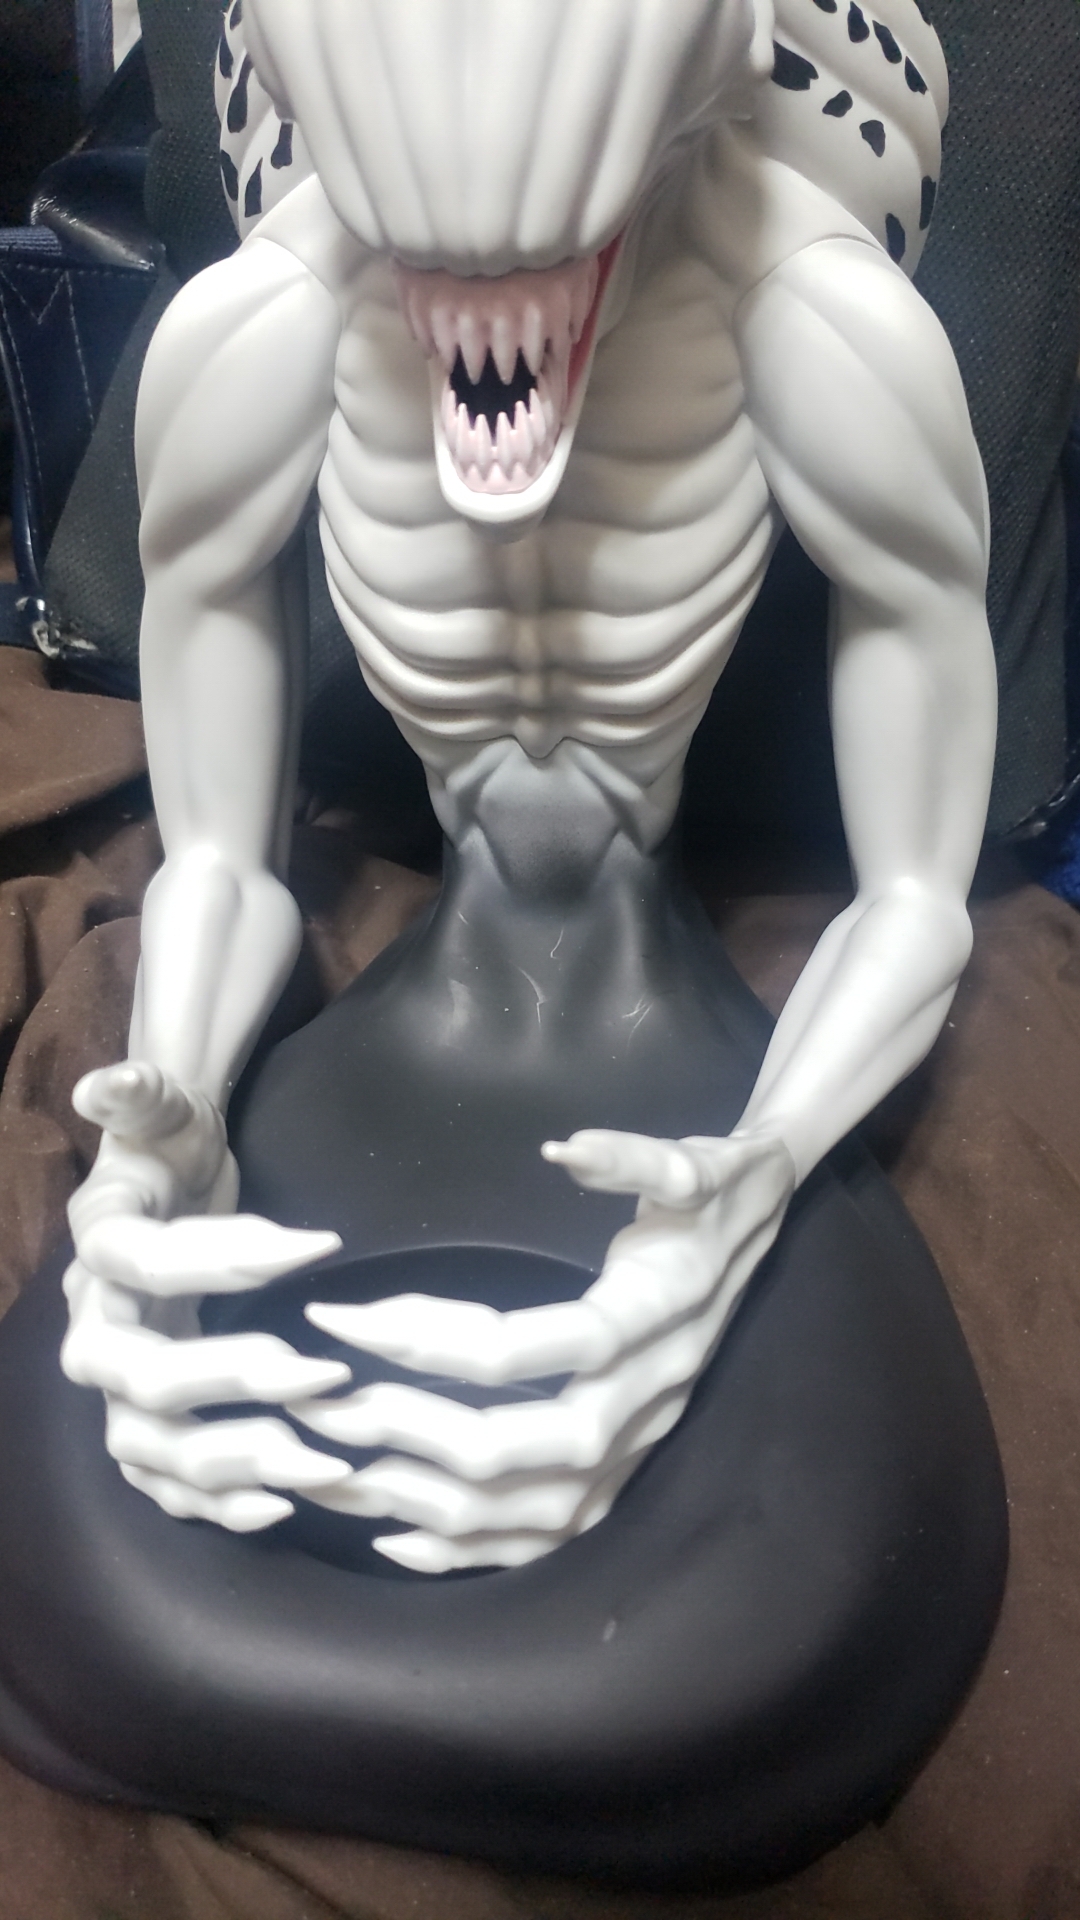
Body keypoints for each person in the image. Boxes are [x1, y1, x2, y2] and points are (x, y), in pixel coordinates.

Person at [59, 0, 996, 1574]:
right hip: (418, 982)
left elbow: (918, 895)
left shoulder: (820, 323)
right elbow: (217, 858)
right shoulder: (262, 333)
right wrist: (166, 1121)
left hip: (676, 978)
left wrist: (755, 1180)